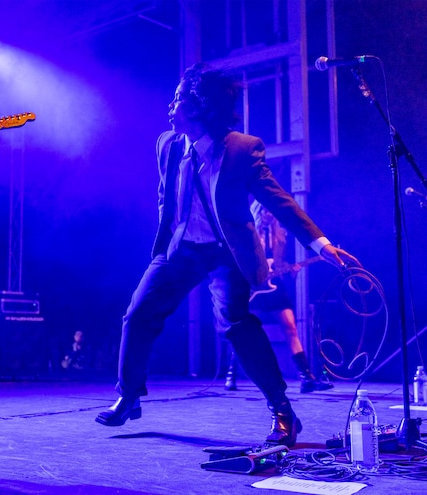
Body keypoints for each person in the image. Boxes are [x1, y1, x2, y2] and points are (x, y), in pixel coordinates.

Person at [95, 64, 358, 447]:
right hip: (181, 248)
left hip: (225, 251)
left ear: (200, 106)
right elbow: (165, 195)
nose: (170, 105)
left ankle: (282, 411)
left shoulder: (242, 149)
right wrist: (169, 235)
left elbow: (280, 202)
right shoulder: (167, 144)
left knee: (235, 323)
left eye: (178, 99)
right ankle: (129, 395)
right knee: (138, 313)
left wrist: (321, 244)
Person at [224, 201, 334, 393]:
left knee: (290, 327)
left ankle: (306, 378)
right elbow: (237, 258)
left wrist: (290, 269)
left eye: (270, 211)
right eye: (265, 211)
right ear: (257, 212)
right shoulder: (247, 232)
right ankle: (231, 376)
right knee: (243, 331)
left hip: (273, 285)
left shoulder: (280, 234)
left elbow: (279, 262)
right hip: (252, 285)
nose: (269, 215)